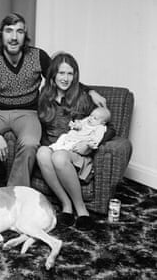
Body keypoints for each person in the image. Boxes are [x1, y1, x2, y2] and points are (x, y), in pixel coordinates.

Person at [0, 13, 107, 188]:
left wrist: (90, 90)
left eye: (19, 31)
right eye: (9, 31)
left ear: (25, 36)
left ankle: (16, 192)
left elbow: (59, 76)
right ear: (2, 35)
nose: (14, 37)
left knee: (31, 143)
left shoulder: (38, 56)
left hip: (28, 113)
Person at [36, 52, 115, 231]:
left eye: (70, 73)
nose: (65, 78)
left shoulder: (83, 97)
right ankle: (66, 205)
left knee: (59, 157)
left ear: (75, 76)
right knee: (42, 153)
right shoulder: (44, 96)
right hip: (54, 146)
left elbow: (108, 128)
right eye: (61, 73)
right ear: (53, 74)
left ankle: (81, 210)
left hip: (76, 153)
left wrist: (88, 146)